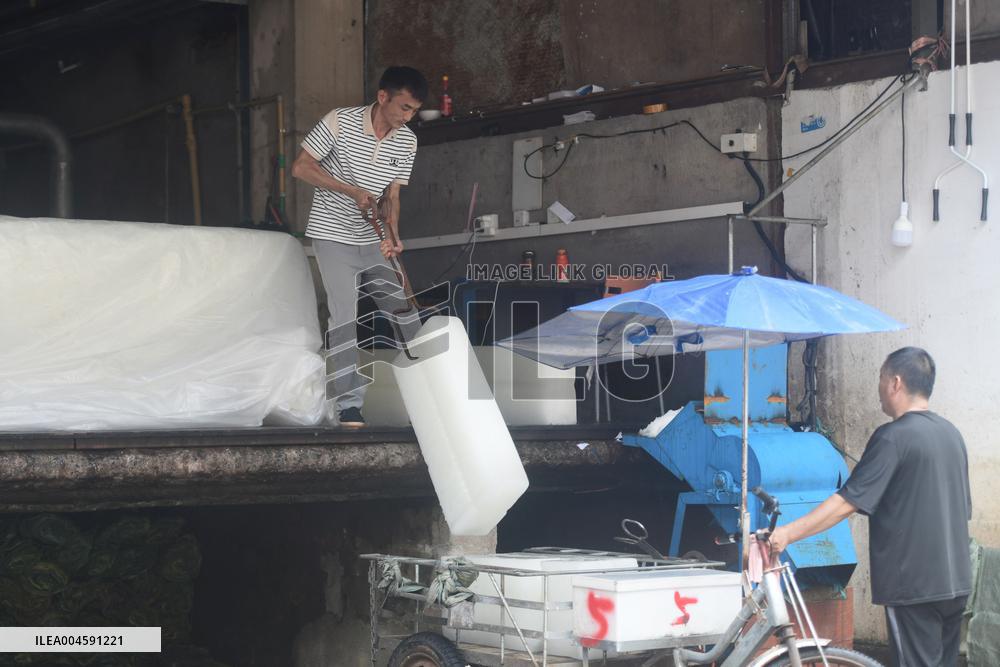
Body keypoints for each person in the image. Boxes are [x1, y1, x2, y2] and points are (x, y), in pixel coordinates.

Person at [769, 347, 971, 667]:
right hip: (956, 582)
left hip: (914, 587)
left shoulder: (893, 437)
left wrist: (788, 533)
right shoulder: (952, 434)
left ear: (895, 382)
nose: (878, 387)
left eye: (880, 378)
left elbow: (847, 502)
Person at [292, 66, 427, 427]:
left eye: (413, 110)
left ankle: (432, 394)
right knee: (345, 318)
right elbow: (301, 168)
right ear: (382, 97)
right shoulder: (340, 121)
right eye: (403, 108)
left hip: (372, 238)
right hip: (332, 234)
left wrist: (393, 235)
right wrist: (350, 190)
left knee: (404, 316)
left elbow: (392, 196)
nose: (407, 117)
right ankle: (348, 405)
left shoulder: (407, 141)